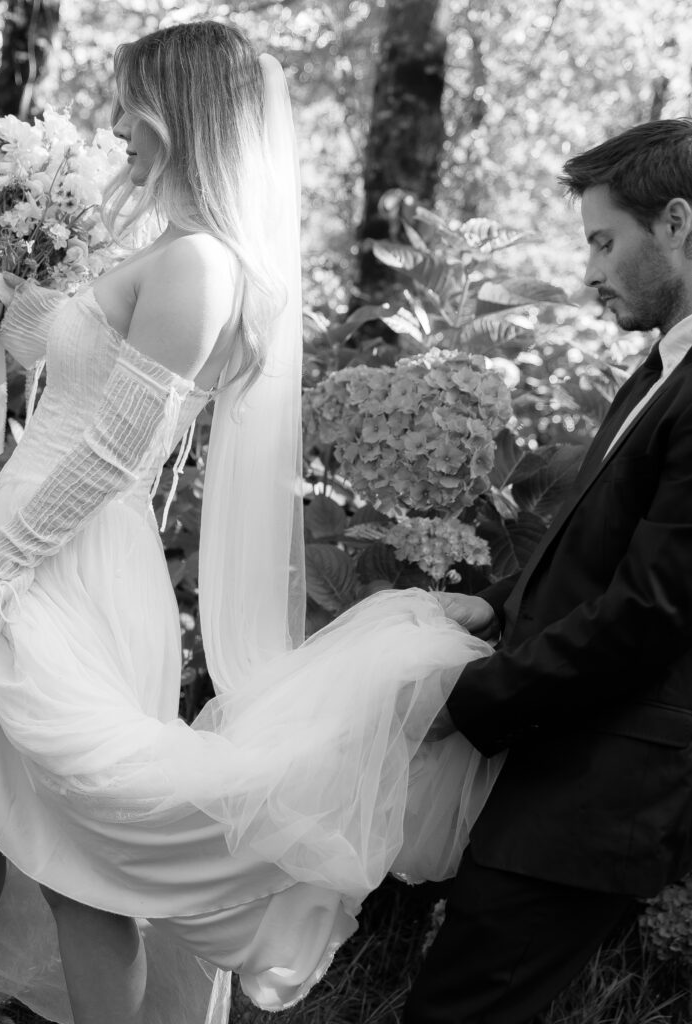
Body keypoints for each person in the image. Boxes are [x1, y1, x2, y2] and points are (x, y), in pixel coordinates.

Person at [0, 21, 503, 1024]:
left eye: (133, 105)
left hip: (65, 569)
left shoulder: (201, 265)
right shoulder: (163, 249)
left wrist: (7, 558)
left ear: (187, 113)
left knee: (74, 868)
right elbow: (70, 351)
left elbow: (118, 441)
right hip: (34, 561)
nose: (116, 126)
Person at [403, 118, 692, 1024]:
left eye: (604, 241)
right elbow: (598, 547)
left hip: (610, 785)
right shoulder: (664, 368)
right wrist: (488, 608)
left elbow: (650, 607)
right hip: (572, 761)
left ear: (677, 223)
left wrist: (466, 700)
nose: (591, 272)